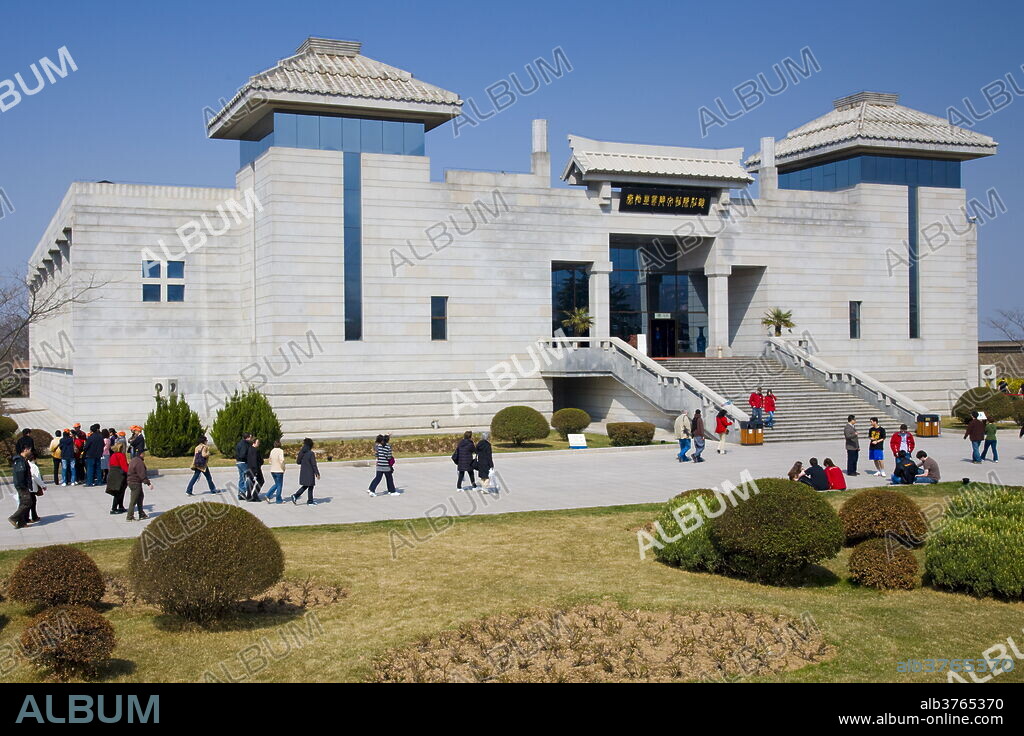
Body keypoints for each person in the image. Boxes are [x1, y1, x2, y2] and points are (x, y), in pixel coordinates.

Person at [7, 444, 34, 529]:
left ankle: (21, 523)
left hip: (22, 485)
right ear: (25, 450)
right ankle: (13, 518)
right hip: (22, 486)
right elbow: (20, 474)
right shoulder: (20, 461)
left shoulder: (21, 460)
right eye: (29, 450)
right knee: (27, 502)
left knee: (23, 503)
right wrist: (23, 485)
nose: (30, 451)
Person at [126, 449, 153, 521]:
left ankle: (141, 513)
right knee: (134, 500)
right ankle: (129, 516)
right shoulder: (139, 462)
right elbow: (142, 474)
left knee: (140, 497)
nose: (144, 454)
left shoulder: (134, 459)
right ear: (141, 454)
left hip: (132, 482)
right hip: (135, 483)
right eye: (144, 453)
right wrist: (148, 483)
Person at [291, 438, 320, 505]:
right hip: (309, 472)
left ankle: (296, 496)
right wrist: (317, 473)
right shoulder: (311, 453)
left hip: (303, 471)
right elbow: (313, 464)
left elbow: (298, 462)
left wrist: (304, 462)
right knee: (310, 486)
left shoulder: (301, 452)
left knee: (306, 486)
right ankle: (309, 501)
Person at [106, 441, 130, 514]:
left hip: (113, 474)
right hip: (119, 475)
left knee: (119, 491)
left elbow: (109, 465)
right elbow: (124, 467)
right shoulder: (121, 455)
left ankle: (121, 506)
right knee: (119, 492)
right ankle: (114, 508)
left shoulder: (113, 455)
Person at [27, 451, 45, 523]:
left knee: (30, 502)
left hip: (27, 486)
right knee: (33, 502)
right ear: (34, 458)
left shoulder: (26, 464)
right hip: (32, 486)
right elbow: (37, 478)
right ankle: (34, 516)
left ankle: (30, 516)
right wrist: (43, 485)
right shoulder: (34, 466)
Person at [234, 433, 252, 499]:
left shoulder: (239, 443)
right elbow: (243, 454)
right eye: (250, 437)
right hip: (243, 462)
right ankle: (243, 491)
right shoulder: (245, 444)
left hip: (238, 462)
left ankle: (240, 494)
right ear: (247, 438)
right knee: (247, 477)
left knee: (241, 477)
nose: (251, 439)